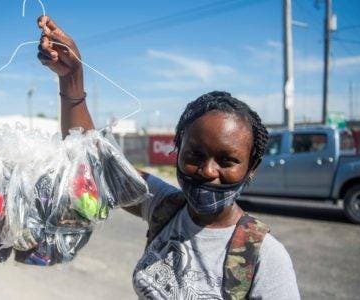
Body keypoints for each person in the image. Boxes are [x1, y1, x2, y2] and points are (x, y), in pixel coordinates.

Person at [37, 15, 300, 299]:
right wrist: (71, 78)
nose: (208, 171)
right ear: (177, 152)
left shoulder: (264, 257)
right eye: (195, 155)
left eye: (227, 161)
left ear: (251, 169)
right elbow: (92, 160)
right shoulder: (166, 207)